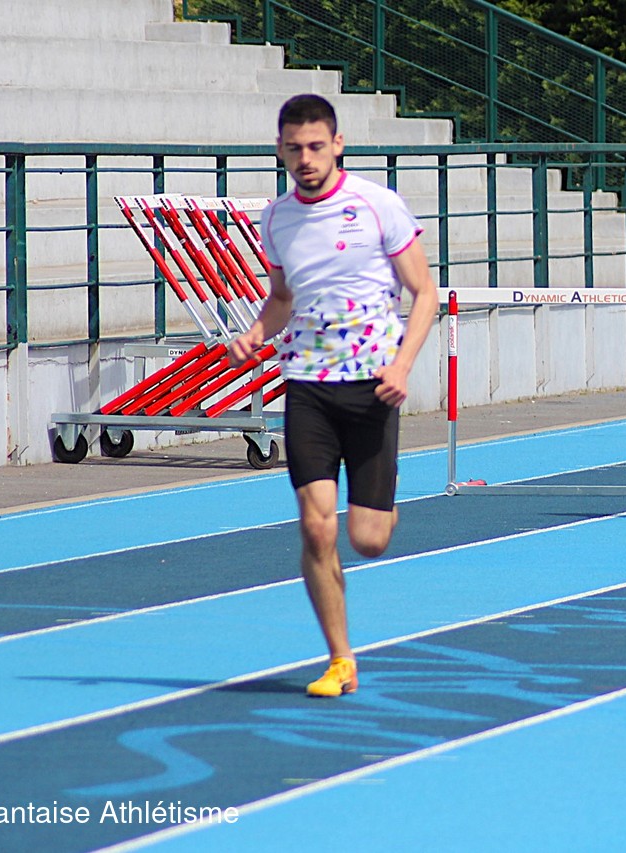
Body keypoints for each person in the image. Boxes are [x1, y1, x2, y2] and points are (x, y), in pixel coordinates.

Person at [227, 94, 437, 696]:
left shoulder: (377, 205)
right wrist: (255, 333)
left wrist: (402, 365)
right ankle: (340, 659)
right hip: (308, 386)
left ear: (337, 145)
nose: (306, 158)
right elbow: (282, 299)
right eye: (294, 148)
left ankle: (384, 492)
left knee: (368, 540)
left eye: (316, 146)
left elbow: (424, 292)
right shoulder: (276, 218)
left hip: (373, 386)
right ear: (279, 150)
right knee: (317, 528)